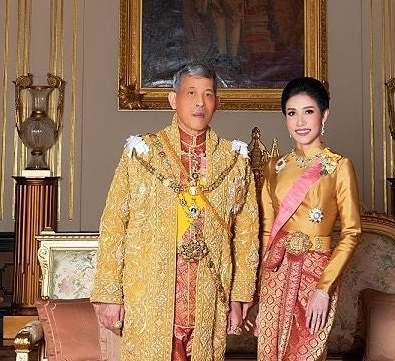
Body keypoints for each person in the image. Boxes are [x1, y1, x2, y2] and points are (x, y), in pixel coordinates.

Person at [90, 63, 259, 361]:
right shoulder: (142, 153)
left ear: (216, 102)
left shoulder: (233, 160)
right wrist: (109, 294)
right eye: (191, 92)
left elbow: (247, 233)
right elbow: (114, 223)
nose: (199, 102)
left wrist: (240, 294)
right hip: (151, 291)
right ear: (173, 99)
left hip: (207, 290)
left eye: (208, 94)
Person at [255, 77, 362, 360]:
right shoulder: (274, 166)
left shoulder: (338, 166)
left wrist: (324, 288)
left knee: (306, 351)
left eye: (309, 111)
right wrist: (261, 286)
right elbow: (268, 230)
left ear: (324, 115)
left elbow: (352, 232)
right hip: (277, 271)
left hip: (317, 273)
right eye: (292, 113)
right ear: (285, 118)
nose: (300, 121)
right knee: (270, 353)